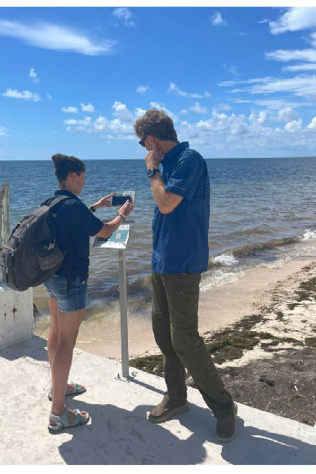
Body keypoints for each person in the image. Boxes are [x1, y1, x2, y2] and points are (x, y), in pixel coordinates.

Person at [134, 109, 237, 442]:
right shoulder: (169, 164)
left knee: (185, 341)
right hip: (162, 262)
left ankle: (223, 407)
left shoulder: (189, 160)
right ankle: (177, 397)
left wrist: (151, 170)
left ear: (152, 139)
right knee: (164, 335)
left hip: (182, 264)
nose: (144, 149)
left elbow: (165, 204)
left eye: (142, 143)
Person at [45, 153, 134, 433]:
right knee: (66, 343)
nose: (84, 182)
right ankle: (58, 412)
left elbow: (77, 223)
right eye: (83, 177)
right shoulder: (72, 205)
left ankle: (57, 388)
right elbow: (105, 231)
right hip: (71, 281)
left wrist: (97, 205)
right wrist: (121, 214)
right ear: (73, 176)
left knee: (56, 333)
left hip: (52, 277)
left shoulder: (53, 202)